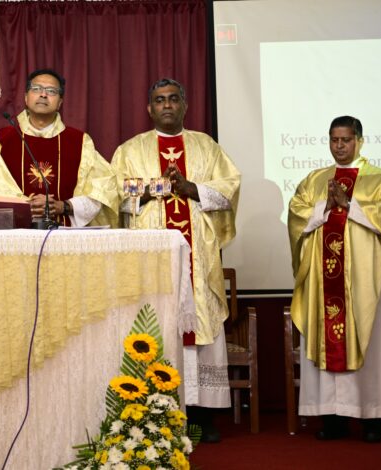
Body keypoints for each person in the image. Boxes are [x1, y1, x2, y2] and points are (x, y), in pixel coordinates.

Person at [110, 78, 240, 442]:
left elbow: (229, 186)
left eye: (173, 99)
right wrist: (160, 188)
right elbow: (116, 195)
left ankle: (204, 416)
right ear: (149, 108)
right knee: (159, 325)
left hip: (197, 254)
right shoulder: (130, 150)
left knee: (200, 327)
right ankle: (156, 410)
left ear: (185, 105)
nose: (166, 105)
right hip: (153, 256)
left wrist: (192, 189)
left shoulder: (206, 146)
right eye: (159, 100)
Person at [288, 116, 381, 443]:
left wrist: (351, 205)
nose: (339, 146)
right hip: (325, 279)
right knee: (327, 343)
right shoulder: (316, 179)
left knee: (373, 342)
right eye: (334, 140)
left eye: (345, 140)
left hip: (365, 280)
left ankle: (374, 417)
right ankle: (332, 417)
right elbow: (297, 214)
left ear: (359, 140)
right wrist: (324, 206)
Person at [0, 68, 118, 227]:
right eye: (36, 89)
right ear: (26, 97)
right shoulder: (3, 139)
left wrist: (64, 206)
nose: (43, 94)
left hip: (66, 236)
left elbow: (102, 190)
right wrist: (26, 206)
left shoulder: (80, 141)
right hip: (16, 235)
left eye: (51, 91)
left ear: (60, 102)